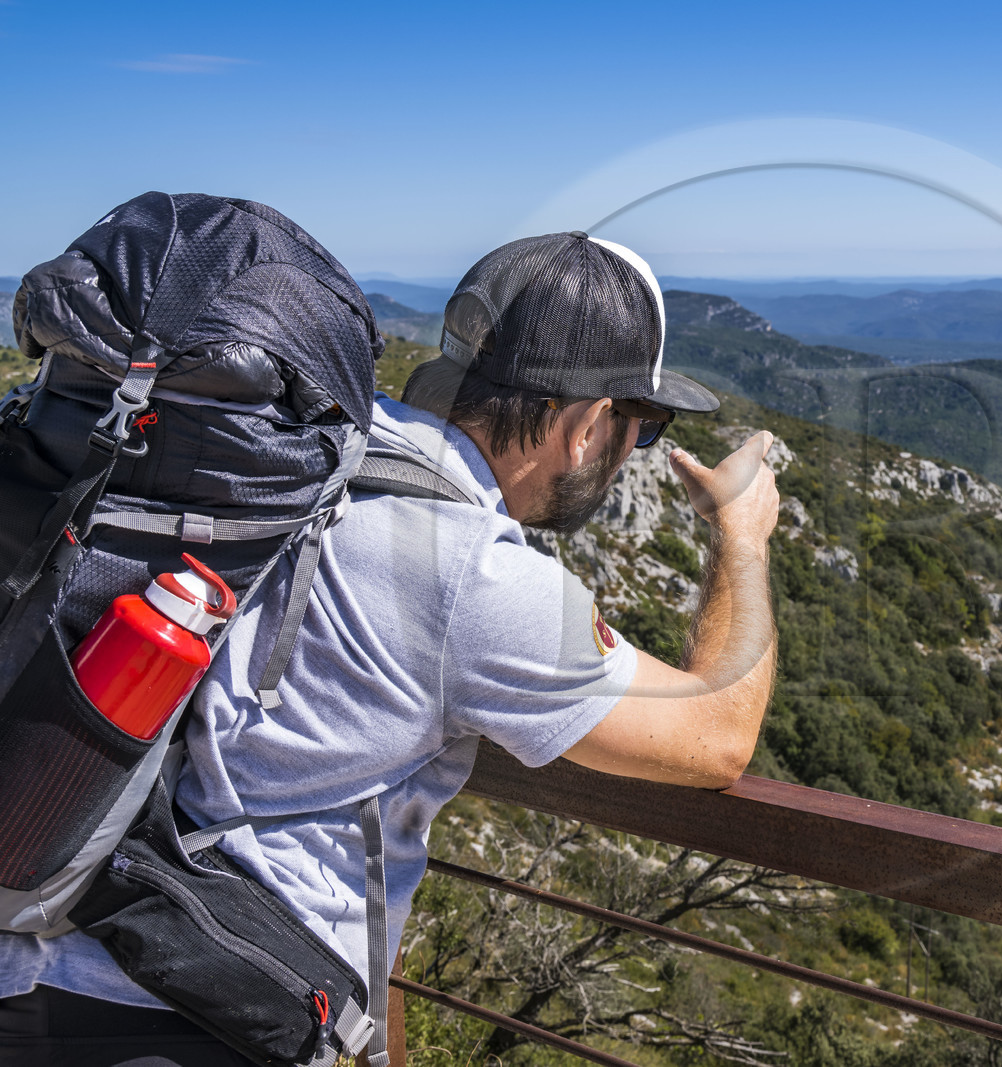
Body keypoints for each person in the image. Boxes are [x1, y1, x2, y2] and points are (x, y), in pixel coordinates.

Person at [0, 231, 780, 1065]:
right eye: (645, 427)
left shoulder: (291, 446)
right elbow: (716, 735)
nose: (635, 453)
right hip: (200, 1013)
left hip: (31, 956)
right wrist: (742, 536)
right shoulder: (473, 574)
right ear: (589, 426)